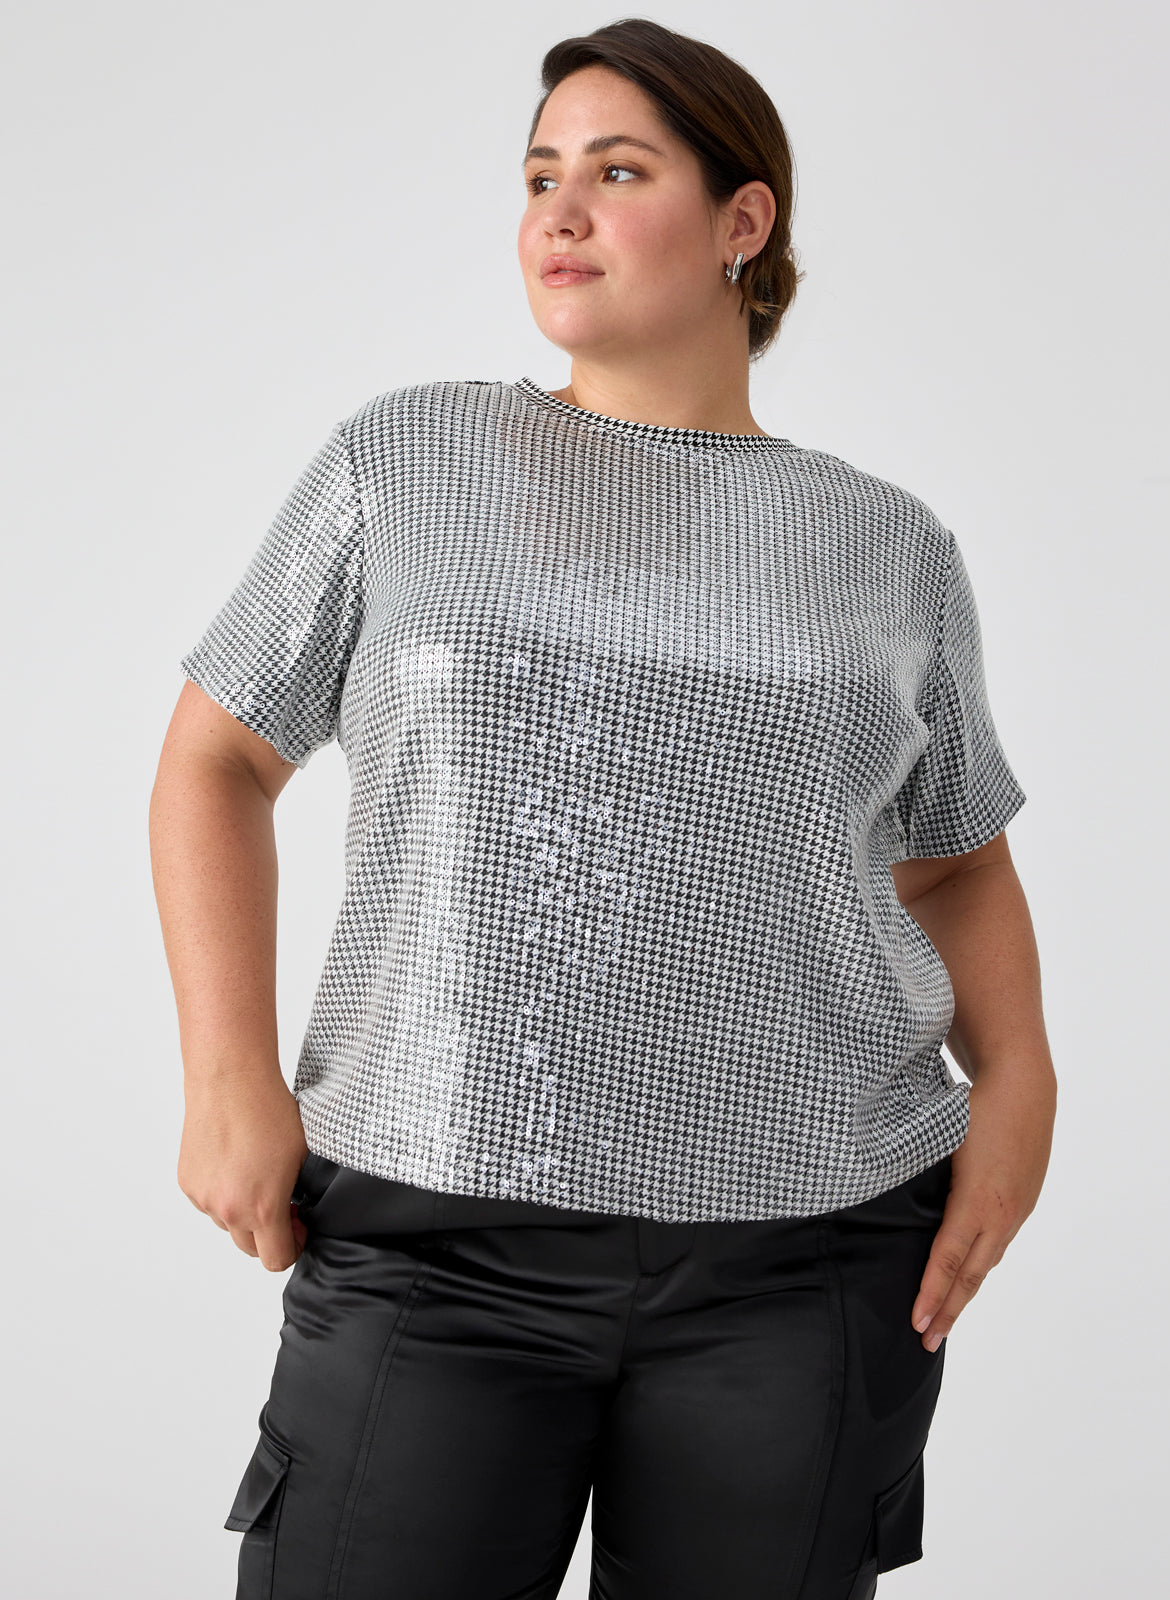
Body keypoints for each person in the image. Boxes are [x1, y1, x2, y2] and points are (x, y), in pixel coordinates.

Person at [148, 18, 1056, 1600]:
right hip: (430, 1234)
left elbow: (953, 857)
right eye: (538, 177)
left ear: (743, 220)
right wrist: (226, 1072)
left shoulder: (888, 547)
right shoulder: (405, 461)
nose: (558, 212)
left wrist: (1024, 1081)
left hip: (809, 1257)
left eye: (618, 172)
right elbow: (215, 762)